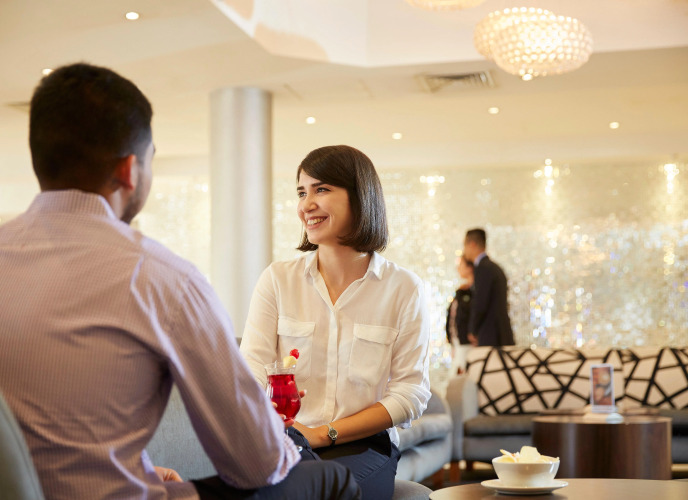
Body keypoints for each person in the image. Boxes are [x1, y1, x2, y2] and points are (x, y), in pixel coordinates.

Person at [0, 63, 360, 500]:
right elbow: (256, 463)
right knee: (330, 479)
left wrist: (143, 469)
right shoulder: (161, 279)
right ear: (130, 170)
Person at [239, 145, 431, 500]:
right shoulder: (278, 280)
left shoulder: (404, 288)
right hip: (286, 437)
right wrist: (286, 422)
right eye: (301, 192)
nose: (306, 205)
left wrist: (325, 433)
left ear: (360, 197)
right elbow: (249, 375)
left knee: (322, 490)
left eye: (321, 189)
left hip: (364, 445)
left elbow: (411, 394)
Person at [462, 228, 515, 347]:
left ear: (472, 244)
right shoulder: (493, 267)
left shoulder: (483, 268)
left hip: (491, 335)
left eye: (464, 245)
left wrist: (473, 329)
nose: (464, 250)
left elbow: (480, 302)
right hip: (500, 332)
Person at [446, 255, 474, 346]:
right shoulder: (461, 291)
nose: (457, 268)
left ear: (469, 268)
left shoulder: (474, 291)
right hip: (456, 341)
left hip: (468, 343)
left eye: (460, 264)